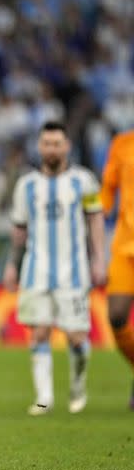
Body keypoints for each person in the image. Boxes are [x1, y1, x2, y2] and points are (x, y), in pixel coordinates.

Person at [3, 121, 105, 416]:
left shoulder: (84, 181)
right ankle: (44, 397)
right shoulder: (27, 185)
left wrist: (99, 259)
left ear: (67, 146)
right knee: (39, 333)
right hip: (36, 270)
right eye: (46, 143)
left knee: (76, 337)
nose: (51, 148)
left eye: (57, 143)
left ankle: (77, 386)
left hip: (73, 272)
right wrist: (13, 264)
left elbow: (95, 220)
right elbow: (19, 230)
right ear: (39, 146)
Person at [100, 128, 134, 409]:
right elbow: (108, 187)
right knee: (117, 316)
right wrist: (98, 214)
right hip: (125, 246)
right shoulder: (122, 144)